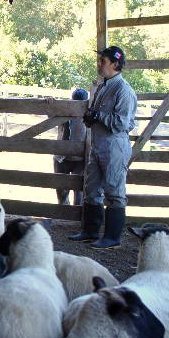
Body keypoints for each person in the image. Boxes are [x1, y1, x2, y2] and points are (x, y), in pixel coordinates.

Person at [69, 46, 137, 250]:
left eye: (103, 61)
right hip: (99, 143)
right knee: (92, 188)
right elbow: (98, 116)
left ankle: (112, 237)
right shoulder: (103, 86)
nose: (99, 65)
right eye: (99, 61)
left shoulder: (123, 90)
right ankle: (90, 231)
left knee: (114, 190)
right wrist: (91, 117)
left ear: (115, 64)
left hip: (115, 145)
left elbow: (124, 123)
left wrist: (99, 116)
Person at [54, 88, 89, 205]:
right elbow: (50, 114)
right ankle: (64, 214)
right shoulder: (65, 110)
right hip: (62, 157)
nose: (78, 106)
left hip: (79, 158)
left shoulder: (88, 113)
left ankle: (74, 216)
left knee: (78, 190)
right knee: (61, 189)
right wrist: (50, 103)